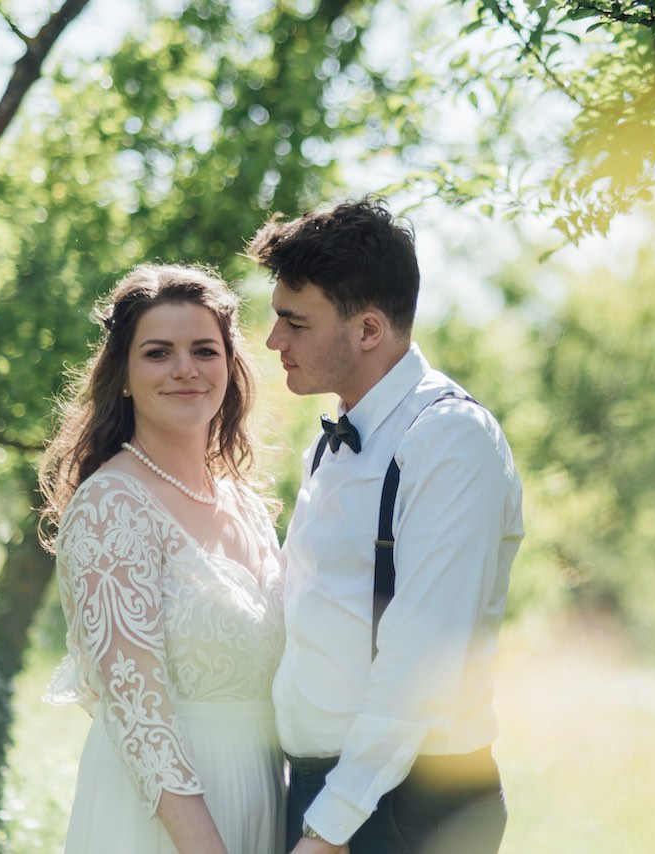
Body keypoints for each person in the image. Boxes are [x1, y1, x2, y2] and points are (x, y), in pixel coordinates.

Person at [249, 198, 525, 854]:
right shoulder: (337, 438)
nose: (273, 342)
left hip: (402, 806)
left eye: (293, 322)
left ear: (368, 330)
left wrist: (332, 827)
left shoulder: (450, 440)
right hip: (326, 791)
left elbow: (422, 656)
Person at [38, 263, 285, 854]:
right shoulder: (112, 507)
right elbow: (137, 718)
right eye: (157, 353)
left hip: (264, 798)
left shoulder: (246, 505)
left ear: (229, 367)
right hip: (164, 821)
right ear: (122, 375)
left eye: (205, 350)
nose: (184, 370)